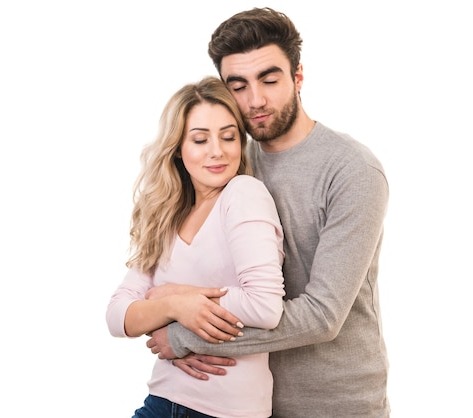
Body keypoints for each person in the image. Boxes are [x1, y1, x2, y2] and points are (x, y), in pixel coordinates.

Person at [145, 7, 391, 418]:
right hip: (244, 402)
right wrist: (169, 303)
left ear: (298, 77)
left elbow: (322, 316)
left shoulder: (352, 170)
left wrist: (185, 335)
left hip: (334, 405)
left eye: (270, 80)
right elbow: (196, 266)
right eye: (238, 86)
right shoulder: (230, 162)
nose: (255, 100)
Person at [105, 76, 286, 418]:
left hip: (224, 412)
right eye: (200, 139)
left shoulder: (242, 194)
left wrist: (172, 297)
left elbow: (264, 306)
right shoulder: (167, 214)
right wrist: (176, 305)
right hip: (161, 402)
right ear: (178, 149)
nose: (217, 150)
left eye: (229, 136)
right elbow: (117, 316)